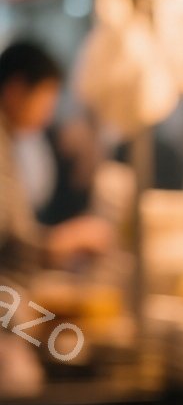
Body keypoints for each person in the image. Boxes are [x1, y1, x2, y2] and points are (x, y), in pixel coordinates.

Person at [0, 41, 114, 279]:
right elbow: (10, 245)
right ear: (17, 89)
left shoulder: (11, 139)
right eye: (46, 99)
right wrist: (64, 241)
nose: (48, 113)